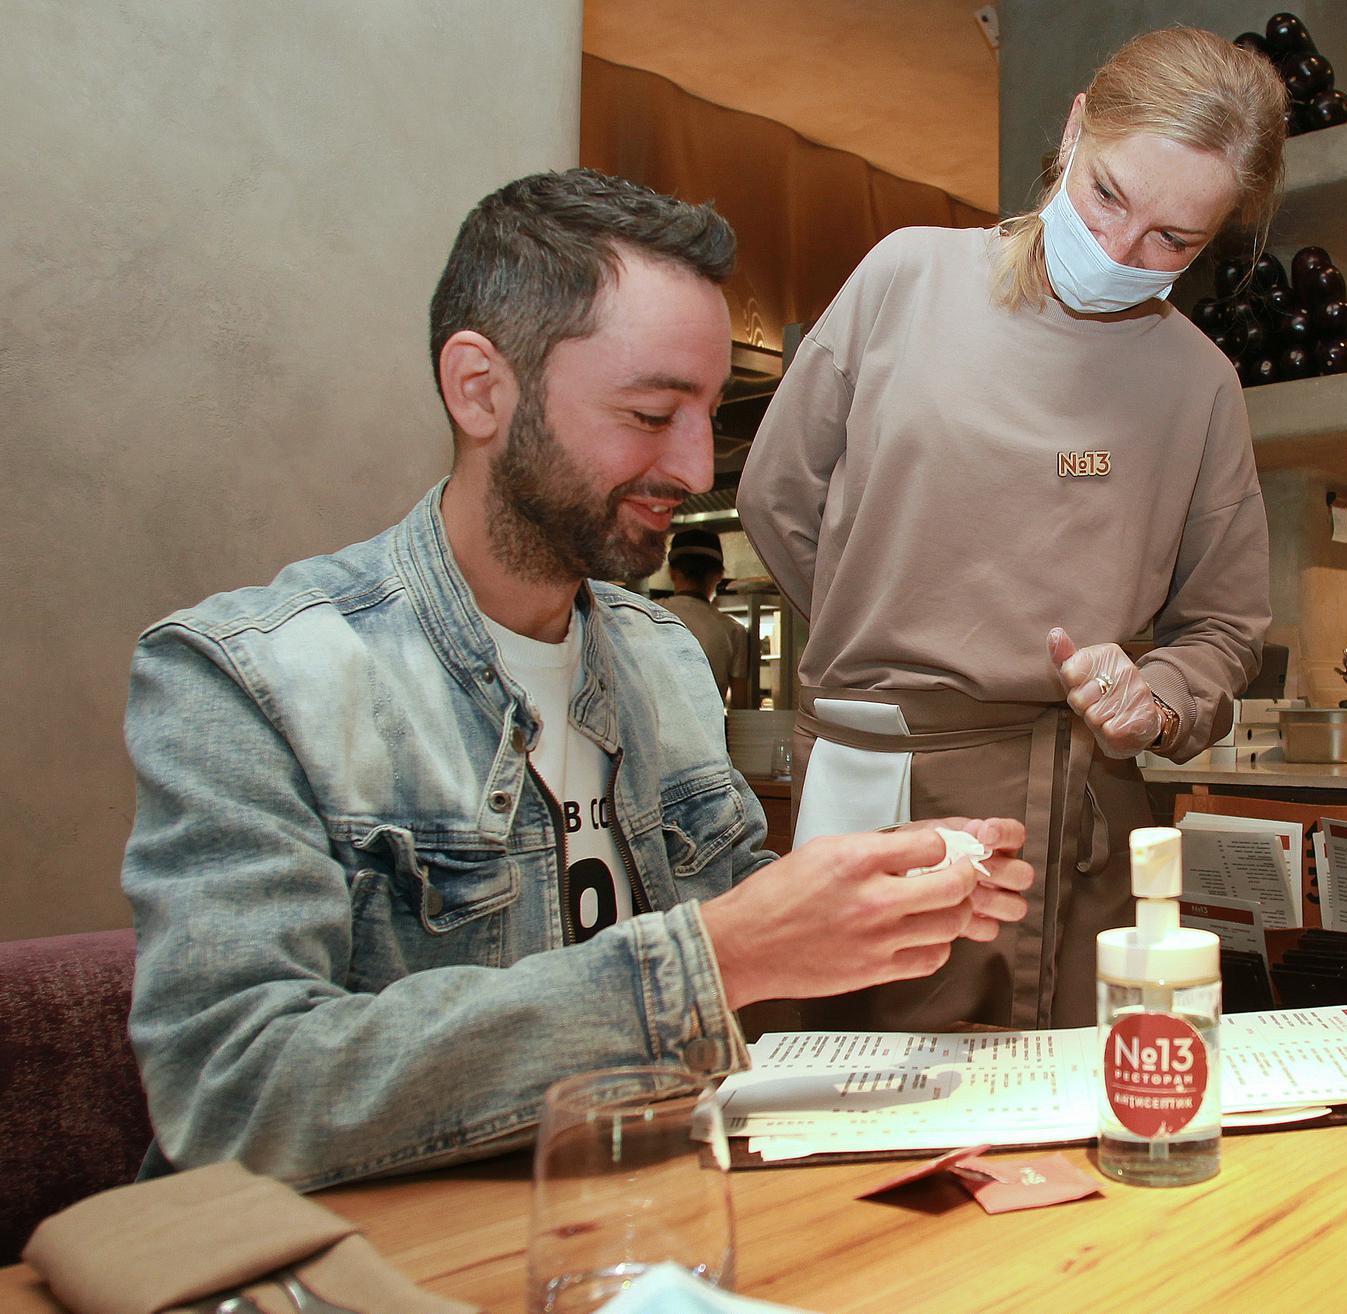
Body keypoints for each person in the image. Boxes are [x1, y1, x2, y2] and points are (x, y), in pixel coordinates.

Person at [119, 169, 1033, 1192]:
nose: (694, 468)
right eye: (651, 415)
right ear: (479, 389)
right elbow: (232, 1096)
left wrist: (861, 915)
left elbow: (743, 990)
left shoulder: (661, 657)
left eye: (708, 416)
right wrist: (719, 960)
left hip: (647, 1229)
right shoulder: (247, 679)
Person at [737, 28, 1283, 1031]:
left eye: (1175, 240)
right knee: (852, 1123)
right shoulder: (906, 277)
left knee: (1071, 1137)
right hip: (884, 782)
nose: (1123, 251)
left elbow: (1223, 630)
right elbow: (778, 499)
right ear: (1076, 128)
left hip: (1079, 817)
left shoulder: (1199, 383)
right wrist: (895, 629)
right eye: (1109, 196)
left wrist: (1152, 699)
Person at [658, 527, 753, 707]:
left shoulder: (647, 614)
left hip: (650, 732)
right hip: (708, 733)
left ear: (671, 572)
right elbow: (740, 706)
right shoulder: (733, 630)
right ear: (719, 574)